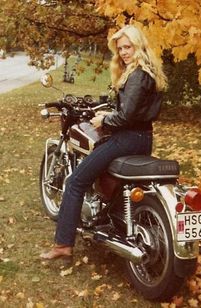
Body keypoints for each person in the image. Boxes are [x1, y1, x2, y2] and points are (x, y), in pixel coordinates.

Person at [40, 25, 167, 260]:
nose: (124, 53)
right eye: (120, 49)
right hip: (143, 138)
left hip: (127, 139)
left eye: (128, 47)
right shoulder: (148, 73)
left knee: (76, 181)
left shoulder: (137, 74)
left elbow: (126, 116)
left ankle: (63, 244)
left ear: (139, 46)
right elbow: (135, 109)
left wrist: (104, 119)